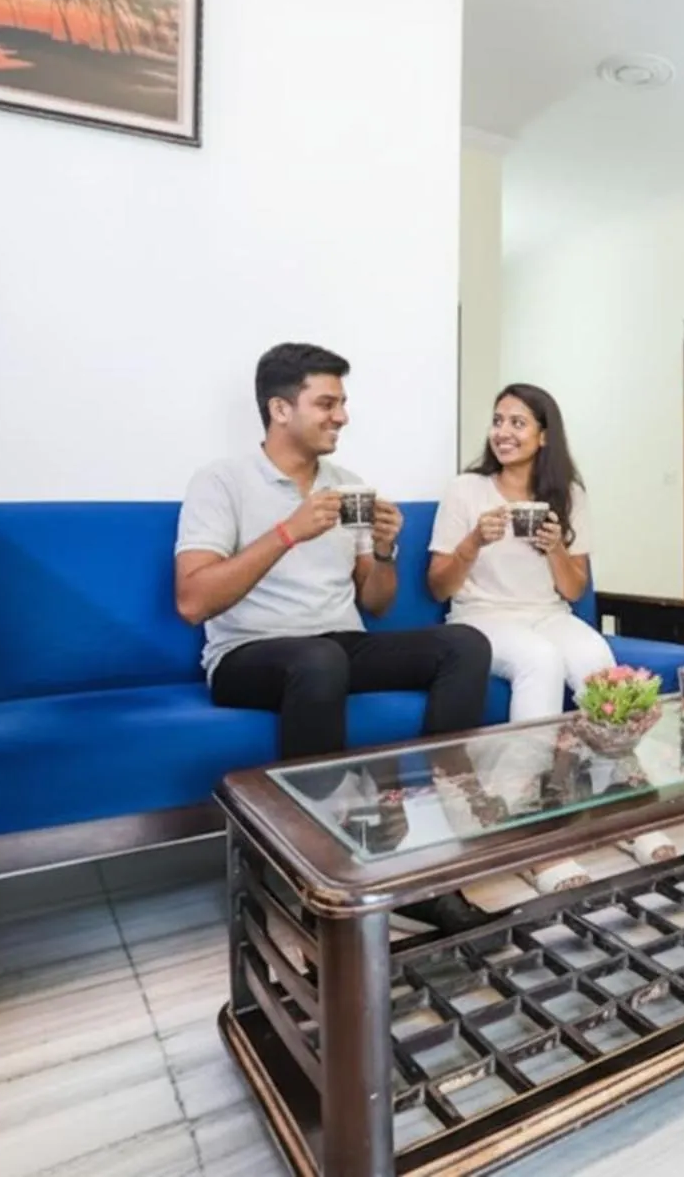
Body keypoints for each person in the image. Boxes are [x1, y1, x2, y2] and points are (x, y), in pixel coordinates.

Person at [174, 342, 495, 933]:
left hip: (336, 644)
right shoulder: (221, 482)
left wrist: (384, 549)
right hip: (248, 653)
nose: (342, 416)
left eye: (342, 403)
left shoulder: (348, 485)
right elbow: (193, 601)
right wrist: (288, 532)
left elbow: (374, 602)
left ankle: (433, 848)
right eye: (327, 403)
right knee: (319, 662)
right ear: (279, 409)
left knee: (466, 643)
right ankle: (323, 884)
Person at [428, 384, 675, 893]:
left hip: (547, 611)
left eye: (517, 422)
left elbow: (573, 589)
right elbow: (439, 586)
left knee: (596, 660)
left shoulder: (569, 495)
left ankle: (627, 807)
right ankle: (532, 830)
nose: (503, 432)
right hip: (480, 617)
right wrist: (474, 542)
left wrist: (557, 549)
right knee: (538, 661)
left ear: (544, 435)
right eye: (498, 420)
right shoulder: (465, 491)